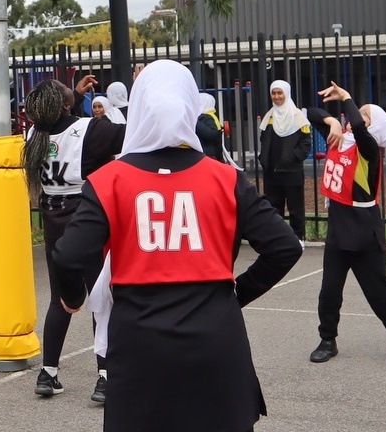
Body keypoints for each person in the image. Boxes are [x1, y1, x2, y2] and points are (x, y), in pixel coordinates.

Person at [52, 59, 303, 432]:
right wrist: (236, 293)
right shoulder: (226, 179)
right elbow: (285, 246)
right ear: (190, 105)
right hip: (216, 337)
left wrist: (73, 298)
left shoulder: (109, 181)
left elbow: (68, 257)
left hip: (140, 343)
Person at [22, 75, 125, 402]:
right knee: (101, 298)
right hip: (86, 217)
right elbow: (130, 134)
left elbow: (60, 124)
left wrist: (74, 97)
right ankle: (106, 376)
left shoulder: (33, 135)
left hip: (53, 219)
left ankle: (48, 372)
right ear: (66, 104)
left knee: (60, 299)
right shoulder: (91, 130)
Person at [306, 81, 386, 365]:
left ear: (374, 127)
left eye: (364, 114)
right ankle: (327, 340)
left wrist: (346, 97)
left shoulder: (369, 150)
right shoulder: (339, 139)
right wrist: (331, 119)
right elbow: (310, 112)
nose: (355, 116)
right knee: (329, 291)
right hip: (338, 229)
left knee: (379, 293)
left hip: (364, 231)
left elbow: (358, 126)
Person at [258, 80, 311, 245]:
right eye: (273, 93)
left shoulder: (297, 116)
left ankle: (298, 238)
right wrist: (264, 159)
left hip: (291, 171)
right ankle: (278, 239)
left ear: (286, 93)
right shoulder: (269, 116)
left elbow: (305, 143)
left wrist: (292, 157)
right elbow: (263, 139)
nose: (276, 97)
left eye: (280, 93)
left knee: (295, 208)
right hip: (272, 173)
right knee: (274, 208)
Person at [195, 92, 224, 161]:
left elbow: (211, 134)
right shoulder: (209, 116)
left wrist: (196, 122)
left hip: (210, 155)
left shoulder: (208, 117)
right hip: (210, 155)